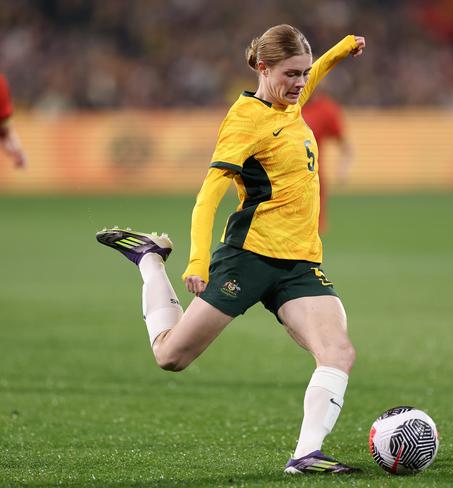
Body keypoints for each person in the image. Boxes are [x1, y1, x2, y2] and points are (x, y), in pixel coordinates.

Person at [97, 25, 365, 474]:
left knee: (338, 352)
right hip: (249, 257)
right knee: (171, 356)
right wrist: (198, 258)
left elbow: (316, 71)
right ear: (263, 68)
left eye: (304, 73)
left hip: (299, 263)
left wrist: (342, 49)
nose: (301, 83)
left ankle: (305, 456)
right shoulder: (244, 121)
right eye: (290, 74)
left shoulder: (293, 99)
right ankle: (148, 259)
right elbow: (208, 196)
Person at [301, 92, 353, 234]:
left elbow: (345, 145)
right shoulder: (281, 105)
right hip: (282, 183)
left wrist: (343, 168)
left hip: (312, 182)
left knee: (311, 234)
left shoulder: (325, 109)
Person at [0, 73, 27, 168]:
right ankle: (19, 155)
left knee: (5, 137)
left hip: (3, 112)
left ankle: (19, 155)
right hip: (4, 112)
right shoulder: (1, 79)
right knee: (6, 135)